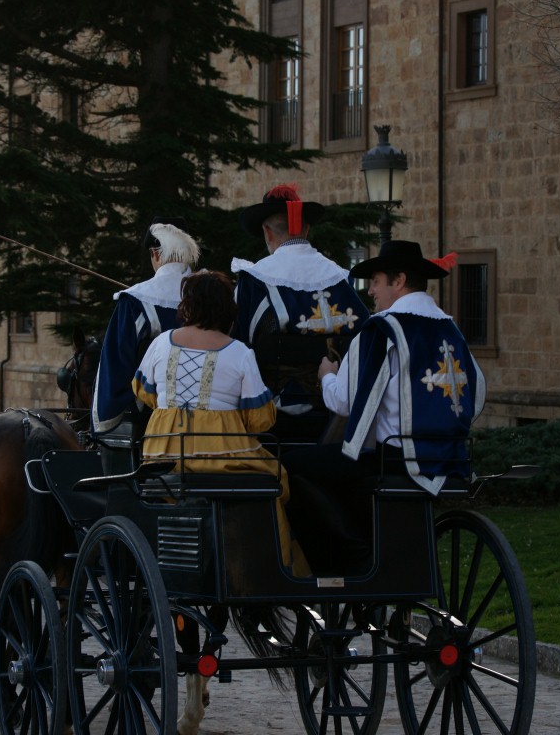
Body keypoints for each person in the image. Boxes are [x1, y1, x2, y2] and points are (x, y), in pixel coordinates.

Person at [281, 240, 485, 574]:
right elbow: (475, 397)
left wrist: (327, 377)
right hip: (451, 458)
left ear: (399, 280)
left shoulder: (381, 329)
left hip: (392, 459)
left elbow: (344, 402)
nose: (370, 290)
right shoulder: (452, 329)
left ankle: (351, 554)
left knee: (292, 465)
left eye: (376, 280)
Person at [132, 270, 309, 575]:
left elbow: (144, 392)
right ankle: (270, 566)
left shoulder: (161, 344)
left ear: (186, 306)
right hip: (222, 458)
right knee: (276, 477)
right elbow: (260, 419)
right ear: (228, 309)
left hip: (164, 455)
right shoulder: (239, 353)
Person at [232, 183, 370, 441]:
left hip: (269, 417)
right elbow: (365, 339)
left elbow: (239, 345)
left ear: (266, 232)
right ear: (306, 229)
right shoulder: (342, 280)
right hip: (335, 418)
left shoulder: (254, 280)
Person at [92, 217, 201, 472]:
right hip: (216, 422)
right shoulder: (215, 296)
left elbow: (115, 369)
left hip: (149, 424)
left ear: (155, 253)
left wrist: (104, 423)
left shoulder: (134, 302)